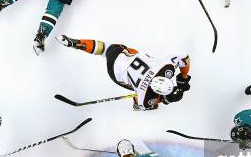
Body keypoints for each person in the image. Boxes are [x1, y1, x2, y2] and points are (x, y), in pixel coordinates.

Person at [56, 35, 191, 111]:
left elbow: (184, 58)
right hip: (115, 73)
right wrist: (166, 98)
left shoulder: (167, 68)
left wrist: (182, 77)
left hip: (122, 54)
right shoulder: (145, 95)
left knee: (106, 48)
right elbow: (138, 104)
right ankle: (81, 45)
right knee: (148, 105)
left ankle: (79, 43)